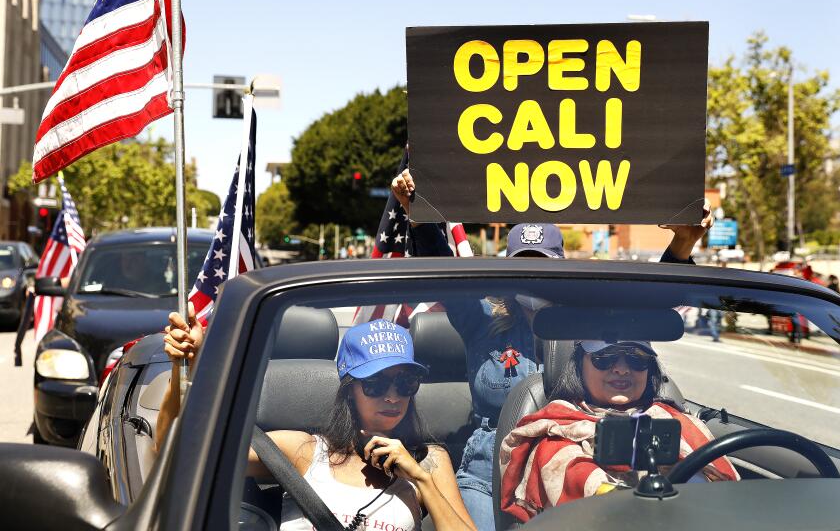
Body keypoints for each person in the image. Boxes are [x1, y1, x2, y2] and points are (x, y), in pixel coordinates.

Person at [390, 168, 714, 530]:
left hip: (578, 461)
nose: (535, 277)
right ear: (506, 272)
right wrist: (420, 215)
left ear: (563, 270)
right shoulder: (481, 319)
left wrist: (683, 244)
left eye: (544, 266)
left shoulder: (589, 324)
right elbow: (443, 273)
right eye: (524, 266)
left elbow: (646, 310)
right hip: (487, 473)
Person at [156, 307, 476, 531]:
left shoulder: (429, 461)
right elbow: (179, 455)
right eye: (376, 384)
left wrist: (420, 480)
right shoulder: (305, 450)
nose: (393, 396)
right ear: (350, 390)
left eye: (406, 383)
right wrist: (185, 368)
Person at [499, 340, 739, 522]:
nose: (622, 369)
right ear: (578, 366)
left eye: (637, 359)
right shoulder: (555, 429)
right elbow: (576, 479)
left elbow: (725, 498)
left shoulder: (679, 421)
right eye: (605, 357)